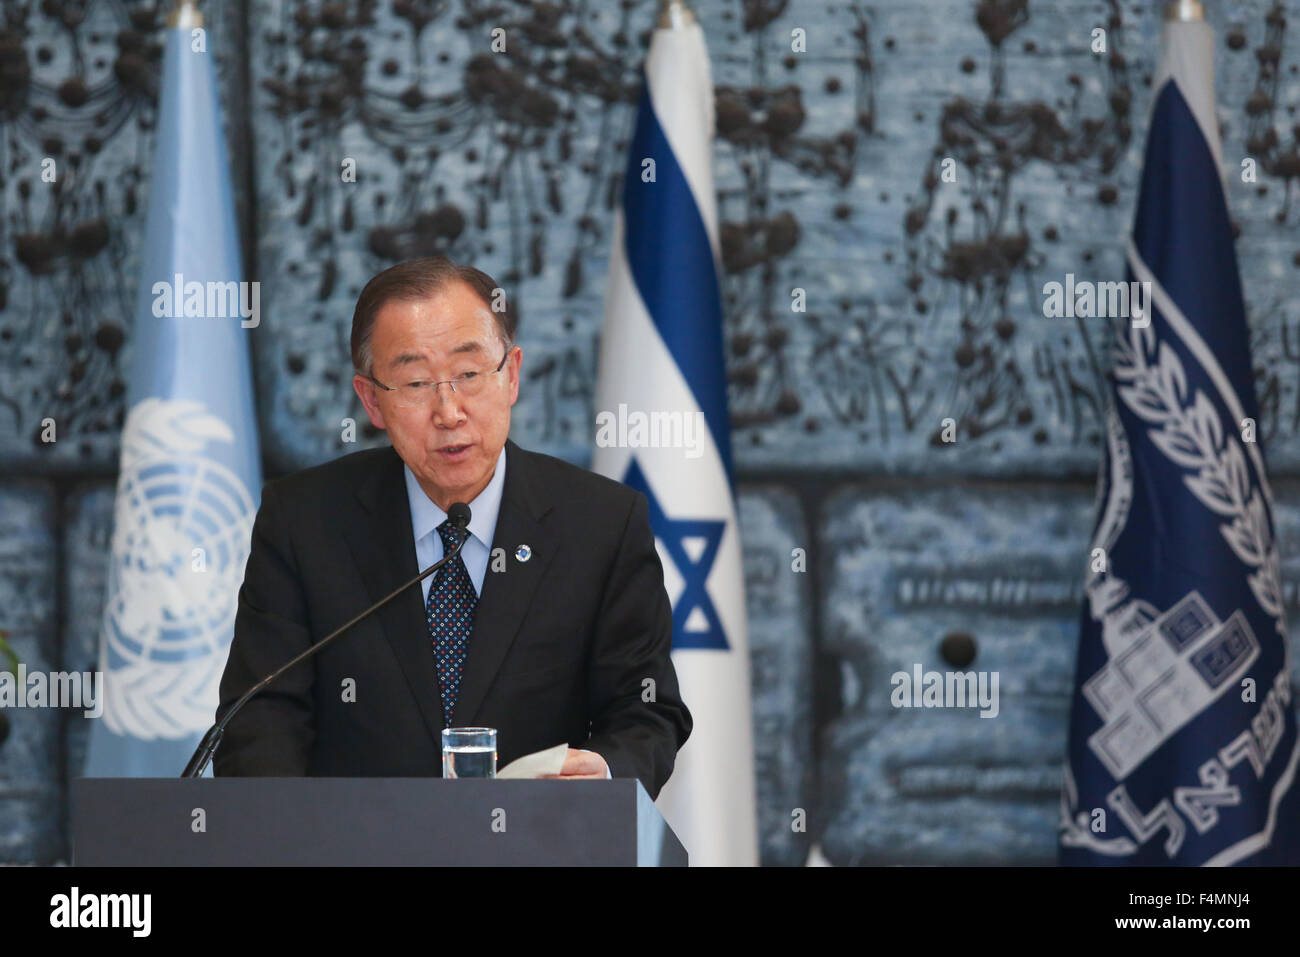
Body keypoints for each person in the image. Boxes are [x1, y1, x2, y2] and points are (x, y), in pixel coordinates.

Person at [214, 256, 692, 798]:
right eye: (416, 382)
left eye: (469, 374)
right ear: (371, 399)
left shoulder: (602, 525)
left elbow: (646, 708)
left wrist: (603, 773)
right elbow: (260, 719)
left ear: (511, 375)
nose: (449, 411)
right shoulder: (303, 522)